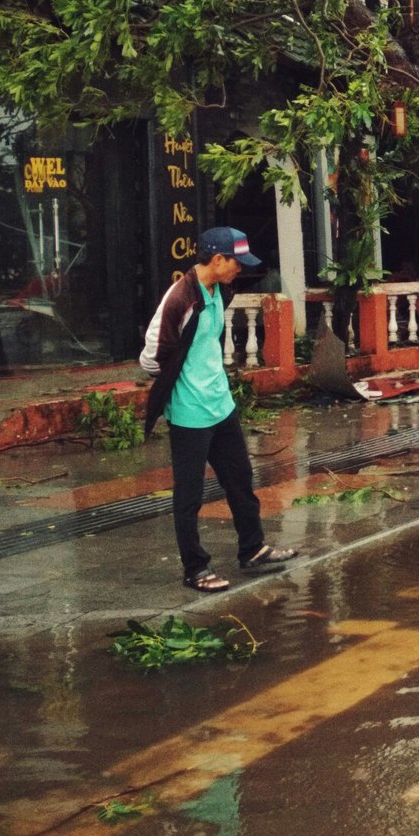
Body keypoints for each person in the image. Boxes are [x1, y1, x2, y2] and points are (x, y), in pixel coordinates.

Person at [140, 227, 297, 592]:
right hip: (190, 414)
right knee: (189, 494)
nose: (239, 270)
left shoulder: (220, 291)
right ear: (217, 259)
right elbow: (150, 358)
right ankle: (195, 568)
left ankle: (253, 548)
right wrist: (180, 383)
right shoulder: (180, 299)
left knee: (240, 479)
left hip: (220, 405)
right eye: (236, 263)